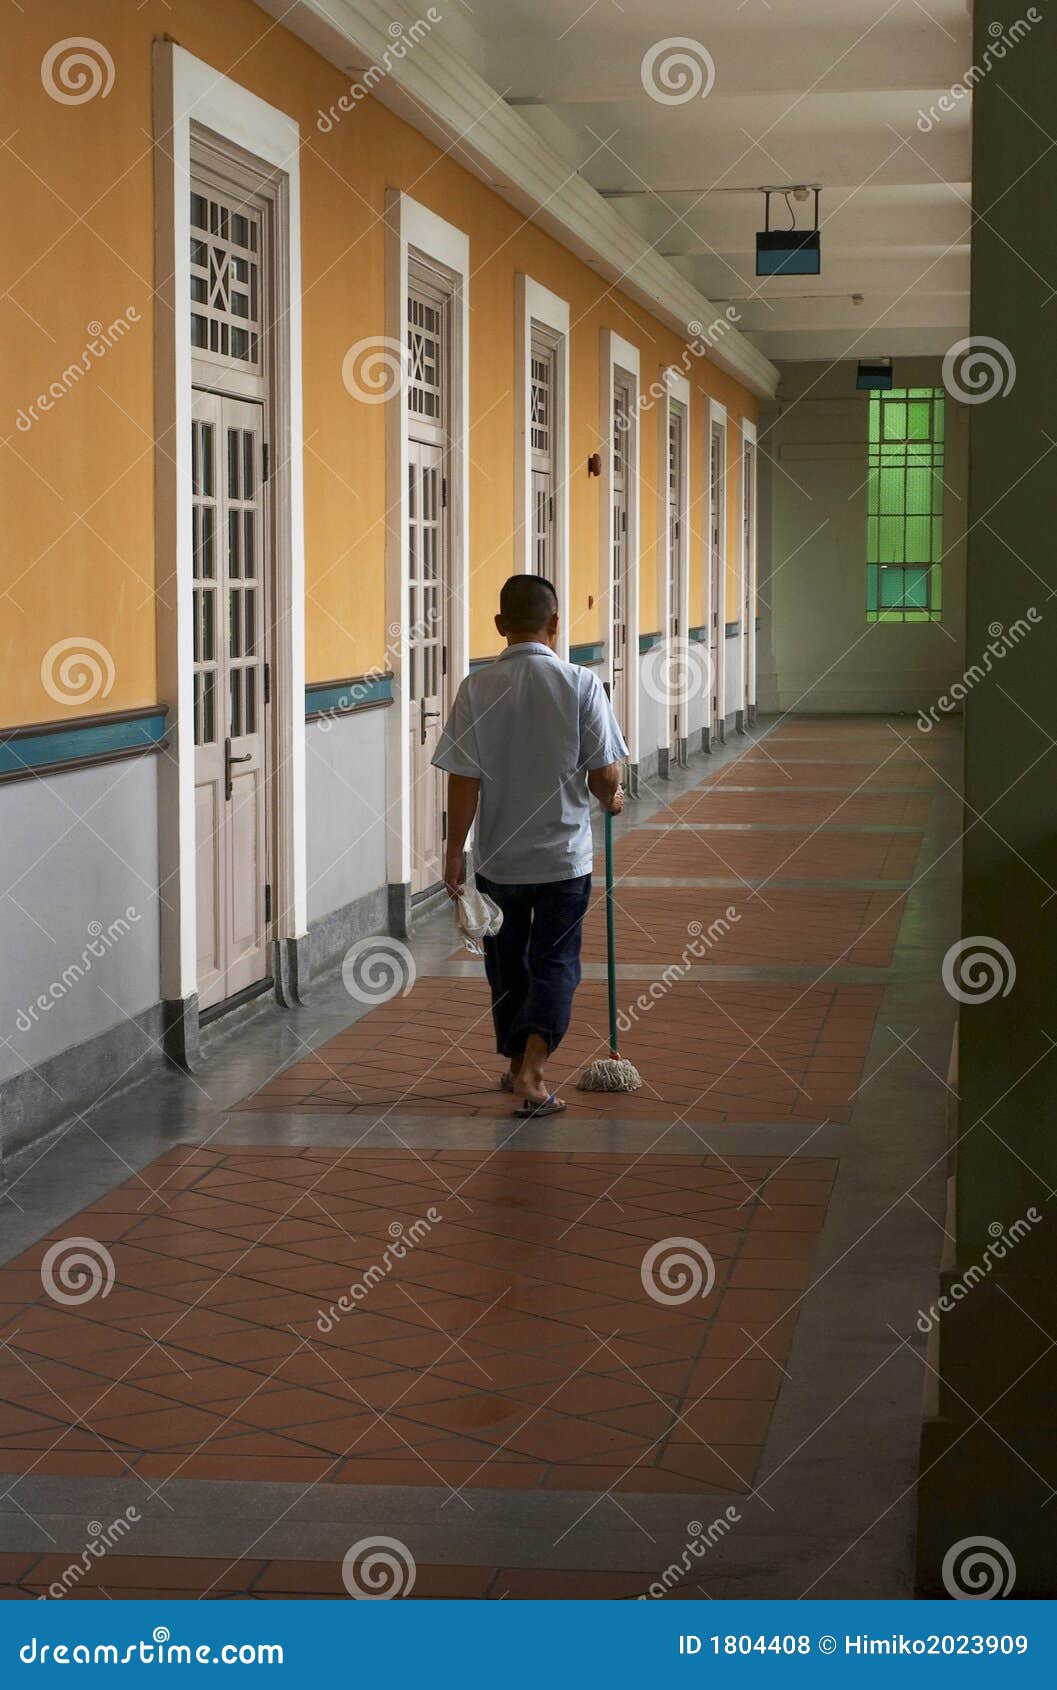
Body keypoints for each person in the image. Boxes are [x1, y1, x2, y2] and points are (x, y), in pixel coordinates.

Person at [432, 575, 628, 1118]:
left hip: (499, 860)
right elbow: (604, 775)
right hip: (564, 859)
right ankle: (533, 1073)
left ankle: (518, 1061)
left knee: (507, 965)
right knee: (556, 961)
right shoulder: (581, 684)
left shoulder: (476, 688)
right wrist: (612, 797)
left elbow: (464, 779)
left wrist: (455, 854)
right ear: (556, 623)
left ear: (500, 626)